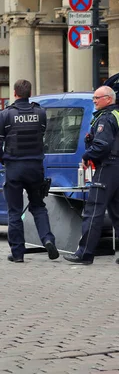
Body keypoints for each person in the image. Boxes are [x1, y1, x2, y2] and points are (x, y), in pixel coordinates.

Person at [63, 86, 119, 265]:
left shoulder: (106, 118)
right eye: (94, 98)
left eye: (97, 98)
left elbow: (102, 145)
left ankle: (85, 253)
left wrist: (87, 155)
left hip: (107, 169)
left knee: (93, 211)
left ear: (109, 99)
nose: (94, 101)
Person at [0, 79, 58, 263]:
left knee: (15, 211)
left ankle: (17, 254)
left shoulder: (6, 115)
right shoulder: (40, 112)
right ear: (29, 93)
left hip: (14, 167)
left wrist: (4, 160)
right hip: (35, 168)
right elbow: (41, 135)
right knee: (38, 206)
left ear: (15, 93)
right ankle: (48, 239)